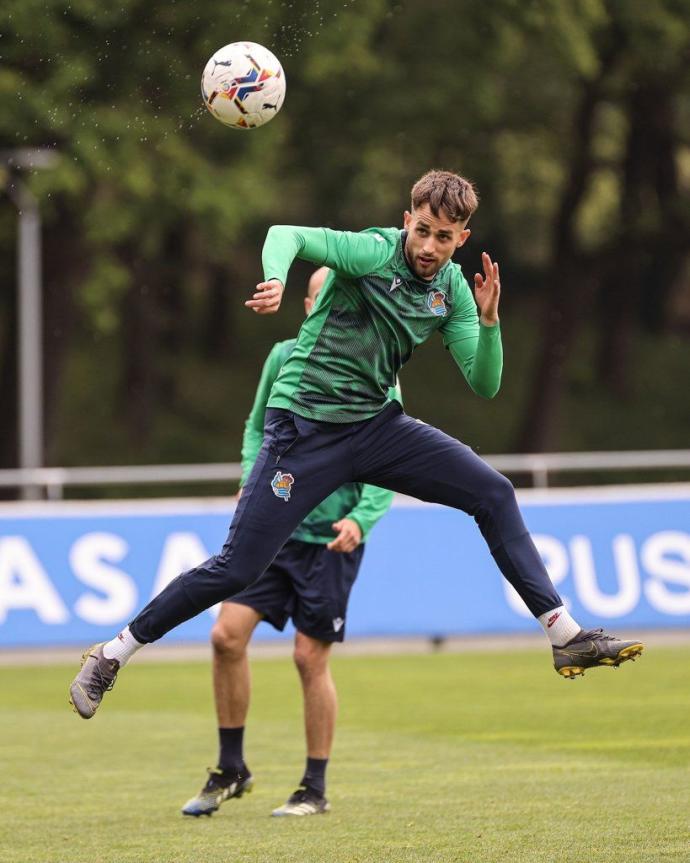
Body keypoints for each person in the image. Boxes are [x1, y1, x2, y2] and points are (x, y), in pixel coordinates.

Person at [70, 169, 644, 726]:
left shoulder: (451, 294)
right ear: (406, 221)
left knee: (493, 492)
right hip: (303, 430)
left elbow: (485, 384)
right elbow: (286, 235)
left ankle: (565, 637)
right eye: (421, 230)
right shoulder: (374, 252)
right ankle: (112, 654)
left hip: (375, 428)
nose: (428, 245)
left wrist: (490, 322)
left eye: (443, 237)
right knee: (236, 568)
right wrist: (275, 278)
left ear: (461, 238)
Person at [181, 267, 396, 818]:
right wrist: (254, 477)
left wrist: (362, 519)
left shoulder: (379, 364)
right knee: (226, 636)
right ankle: (232, 768)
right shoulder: (283, 358)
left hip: (330, 540)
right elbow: (257, 427)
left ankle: (313, 788)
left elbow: (389, 454)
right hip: (275, 533)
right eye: (324, 301)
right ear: (307, 307)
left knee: (308, 658)